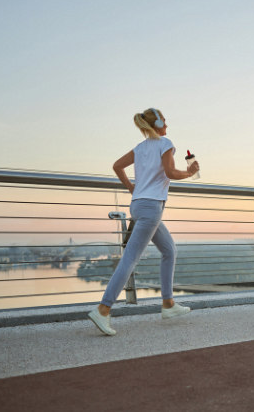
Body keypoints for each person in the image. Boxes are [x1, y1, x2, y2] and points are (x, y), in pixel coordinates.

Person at [88, 108, 200, 336]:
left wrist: (133, 189)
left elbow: (117, 166)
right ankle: (103, 310)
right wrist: (190, 172)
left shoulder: (140, 148)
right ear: (157, 122)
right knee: (130, 259)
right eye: (164, 119)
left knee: (169, 250)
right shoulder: (165, 143)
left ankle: (168, 304)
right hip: (151, 208)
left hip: (139, 205)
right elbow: (169, 172)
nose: (166, 123)